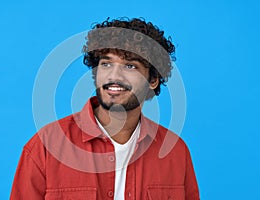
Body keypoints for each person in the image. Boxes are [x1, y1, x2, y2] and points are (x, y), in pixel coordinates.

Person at [10, 17, 200, 200]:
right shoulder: (45, 146)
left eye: (130, 66)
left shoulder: (175, 151)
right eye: (106, 64)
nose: (114, 75)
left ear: (152, 80)